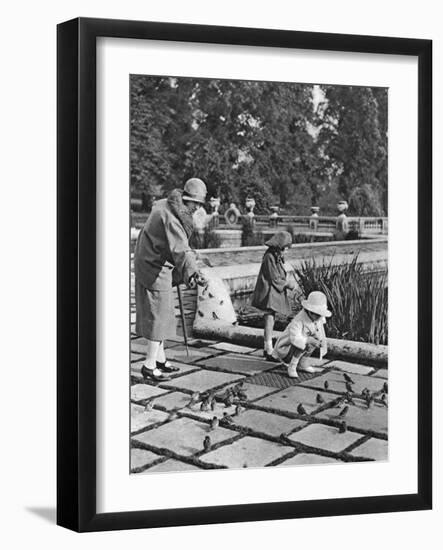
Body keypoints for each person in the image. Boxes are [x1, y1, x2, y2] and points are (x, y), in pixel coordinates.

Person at [134, 178, 208, 381]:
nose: (198, 208)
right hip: (153, 267)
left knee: (164, 312)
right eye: (196, 204)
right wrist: (193, 273)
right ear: (186, 200)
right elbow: (181, 250)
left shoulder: (165, 204)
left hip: (151, 260)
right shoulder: (173, 218)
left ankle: (160, 360)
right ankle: (149, 366)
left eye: (200, 204)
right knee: (158, 315)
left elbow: (175, 246)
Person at [251, 231, 295, 361]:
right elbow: (274, 278)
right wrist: (287, 284)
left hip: (272, 291)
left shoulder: (275, 255)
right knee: (269, 316)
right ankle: (268, 348)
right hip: (269, 291)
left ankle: (268, 346)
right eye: (285, 248)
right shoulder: (270, 257)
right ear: (280, 246)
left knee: (271, 316)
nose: (286, 250)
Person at [272, 291, 331, 378]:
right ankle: (292, 366)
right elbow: (295, 338)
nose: (319, 318)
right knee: (305, 343)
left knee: (315, 339)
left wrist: (319, 340)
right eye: (317, 315)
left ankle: (302, 363)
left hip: (300, 343)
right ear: (310, 311)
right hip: (286, 348)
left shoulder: (317, 318)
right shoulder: (299, 320)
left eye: (321, 316)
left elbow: (319, 330)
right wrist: (308, 340)